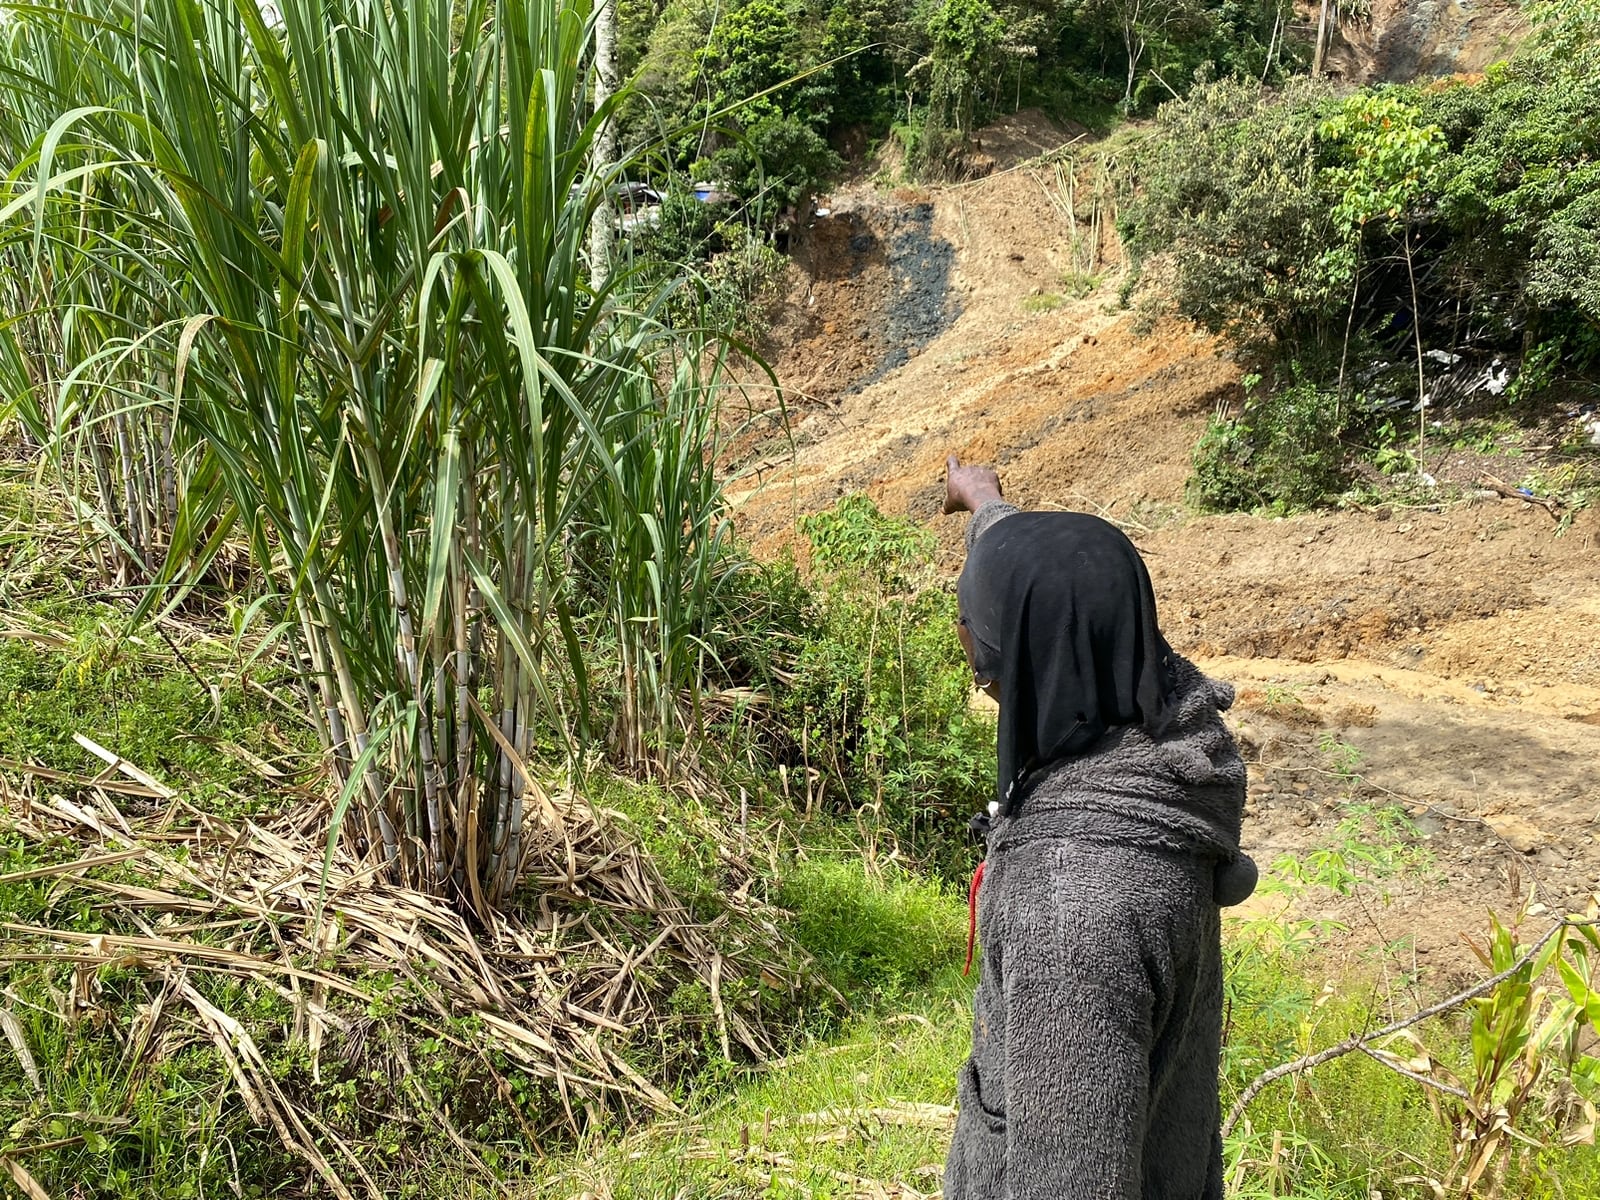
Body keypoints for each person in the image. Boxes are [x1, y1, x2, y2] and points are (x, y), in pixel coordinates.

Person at [940, 455, 1257, 1200]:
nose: (970, 647)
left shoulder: (1069, 913)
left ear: (1014, 659)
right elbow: (1050, 573)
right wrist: (984, 499)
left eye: (977, 639)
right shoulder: (1156, 761)